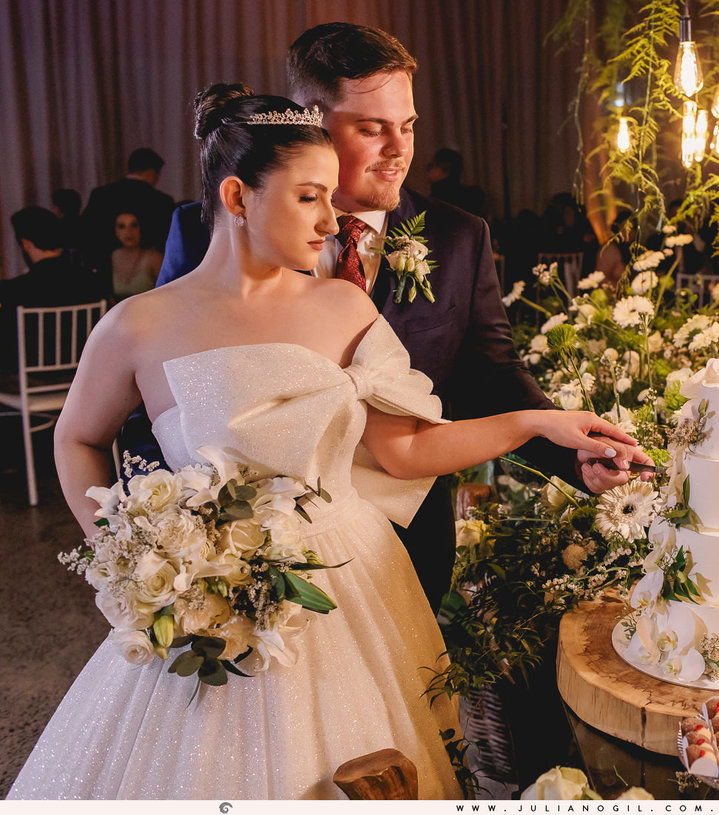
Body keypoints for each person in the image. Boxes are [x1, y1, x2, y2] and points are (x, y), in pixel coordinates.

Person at [7, 87, 640, 801]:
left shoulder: (343, 306)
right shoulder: (139, 326)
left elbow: (406, 452)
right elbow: (77, 437)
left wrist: (537, 423)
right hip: (204, 603)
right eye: (310, 197)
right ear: (239, 196)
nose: (333, 219)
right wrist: (126, 557)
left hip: (350, 584)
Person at [152, 22, 650, 611]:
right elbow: (158, 392)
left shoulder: (459, 237)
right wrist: (162, 534)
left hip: (405, 540)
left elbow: (490, 375)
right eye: (372, 128)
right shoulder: (213, 226)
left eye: (408, 125)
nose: (400, 150)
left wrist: (573, 453)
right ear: (314, 120)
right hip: (239, 553)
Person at [1, 206, 101, 373]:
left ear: (26, 244)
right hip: (80, 375)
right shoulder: (90, 281)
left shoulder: (15, 289)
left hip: (32, 377)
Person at [81, 147, 175, 269]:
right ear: (151, 172)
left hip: (104, 270)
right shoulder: (162, 201)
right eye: (158, 175)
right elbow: (166, 241)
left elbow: (85, 231)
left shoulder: (100, 194)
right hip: (148, 273)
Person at [110, 212, 163, 299]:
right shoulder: (114, 256)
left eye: (134, 225)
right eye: (121, 226)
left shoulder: (154, 257)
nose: (128, 232)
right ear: (116, 232)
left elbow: (165, 294)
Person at [427, 147, 485, 217]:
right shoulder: (472, 196)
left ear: (445, 169)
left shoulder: (436, 200)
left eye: (432, 166)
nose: (428, 170)